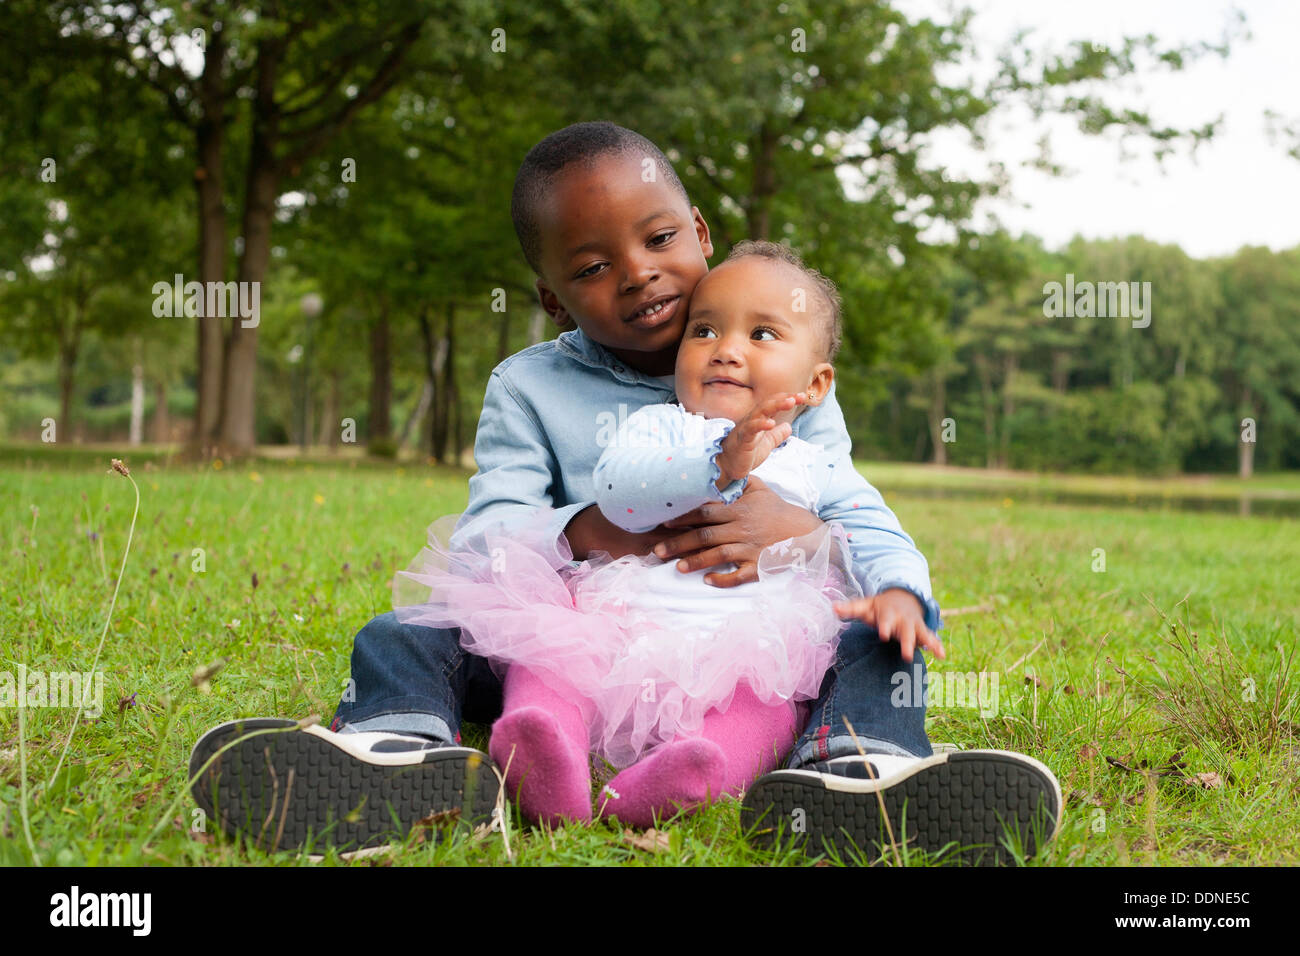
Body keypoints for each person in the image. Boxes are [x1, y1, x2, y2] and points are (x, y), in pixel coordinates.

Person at [190, 121, 1060, 861]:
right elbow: (488, 540)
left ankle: (858, 770)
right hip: (579, 643)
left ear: (701, 232)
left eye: (657, 239)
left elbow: (851, 513)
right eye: (595, 266)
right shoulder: (530, 387)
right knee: (408, 630)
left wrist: (805, 539)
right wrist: (599, 531)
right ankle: (397, 750)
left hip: (744, 645)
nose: (639, 273)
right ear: (554, 299)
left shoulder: (780, 374)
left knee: (878, 639)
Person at [392, 241, 932, 827]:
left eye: (763, 335)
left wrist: (901, 591)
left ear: (817, 382)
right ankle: (545, 749)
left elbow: (873, 527)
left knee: (776, 704)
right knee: (549, 662)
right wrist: (717, 464)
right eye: (703, 331)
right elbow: (620, 489)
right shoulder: (659, 426)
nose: (726, 350)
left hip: (749, 650)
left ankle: (693, 775)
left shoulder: (816, 463)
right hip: (617, 626)